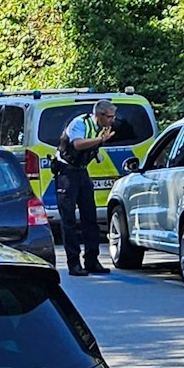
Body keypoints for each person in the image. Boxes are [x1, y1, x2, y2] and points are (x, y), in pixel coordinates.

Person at [55, 100, 120, 276]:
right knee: (68, 220)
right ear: (98, 115)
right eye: (109, 117)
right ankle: (74, 264)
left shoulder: (101, 128)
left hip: (81, 171)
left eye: (113, 116)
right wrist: (100, 140)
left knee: (90, 218)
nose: (112, 120)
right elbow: (77, 144)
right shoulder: (80, 123)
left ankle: (92, 260)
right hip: (66, 173)